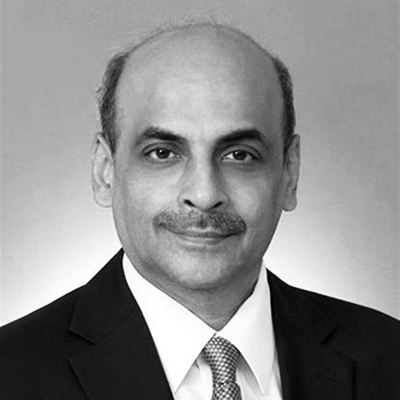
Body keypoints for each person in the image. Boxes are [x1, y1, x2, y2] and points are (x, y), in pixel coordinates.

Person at [0, 22, 399, 400]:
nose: (204, 194)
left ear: (289, 173)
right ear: (105, 170)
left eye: (239, 155)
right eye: (163, 153)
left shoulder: (389, 359)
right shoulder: (11, 374)